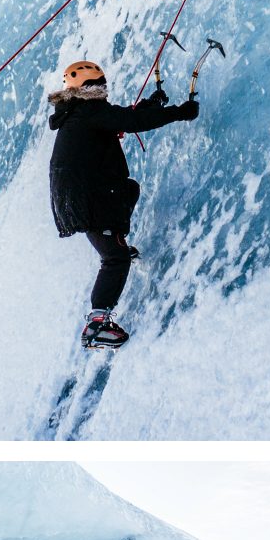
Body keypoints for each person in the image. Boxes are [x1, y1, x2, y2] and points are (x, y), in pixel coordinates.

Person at [48, 59, 200, 348]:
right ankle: (96, 325)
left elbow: (121, 118)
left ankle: (114, 240)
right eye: (97, 85)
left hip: (73, 196)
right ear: (85, 89)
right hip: (85, 197)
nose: (103, 89)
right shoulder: (90, 111)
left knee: (128, 189)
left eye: (102, 83)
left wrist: (150, 105)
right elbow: (128, 122)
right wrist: (179, 113)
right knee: (115, 259)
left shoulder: (77, 113)